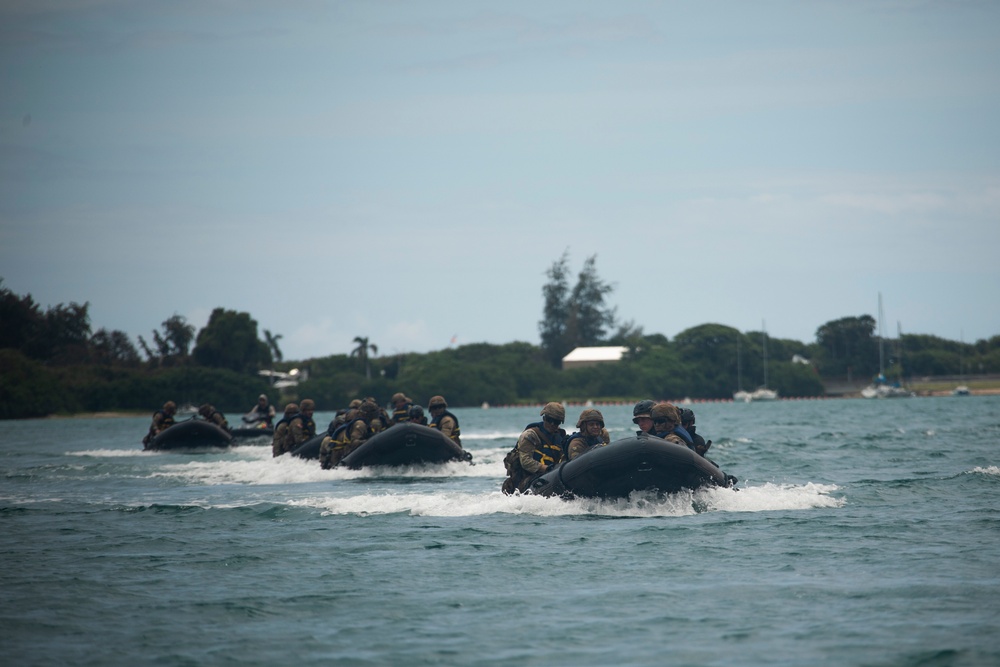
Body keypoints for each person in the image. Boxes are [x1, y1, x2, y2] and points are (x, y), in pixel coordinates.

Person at [501, 402, 567, 494]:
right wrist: (547, 469)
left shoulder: (560, 436)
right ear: (544, 418)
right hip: (527, 479)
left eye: (556, 422)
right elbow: (526, 461)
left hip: (551, 476)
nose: (552, 424)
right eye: (549, 420)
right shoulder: (530, 435)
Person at [319, 400, 379, 469]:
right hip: (341, 456)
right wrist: (370, 441)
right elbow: (354, 443)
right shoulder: (360, 424)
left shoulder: (359, 423)